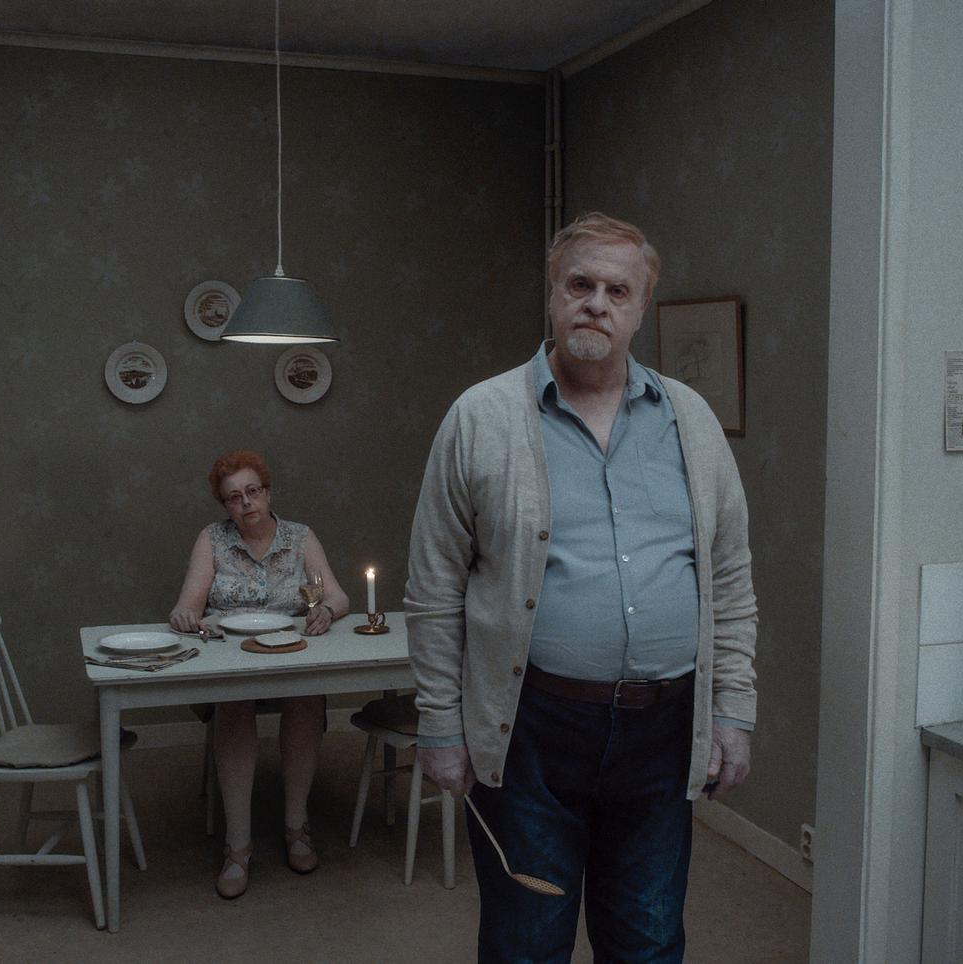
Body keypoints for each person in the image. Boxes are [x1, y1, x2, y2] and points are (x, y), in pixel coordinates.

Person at [406, 212, 758, 961]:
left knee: (648, 940)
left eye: (617, 291)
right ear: (553, 295)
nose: (597, 303)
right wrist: (440, 725)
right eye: (581, 285)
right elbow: (434, 587)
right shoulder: (481, 417)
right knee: (526, 941)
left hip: (664, 733)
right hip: (530, 727)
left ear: (640, 308)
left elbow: (729, 578)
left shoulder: (690, 420)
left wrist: (732, 708)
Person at [169, 448, 349, 899]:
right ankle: (237, 847)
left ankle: (296, 827)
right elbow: (187, 606)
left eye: (253, 491)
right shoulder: (212, 539)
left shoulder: (300, 537)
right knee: (233, 706)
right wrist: (185, 616)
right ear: (225, 505)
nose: (246, 502)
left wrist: (326, 610)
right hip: (232, 659)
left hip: (291, 654)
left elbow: (338, 596)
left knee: (307, 701)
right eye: (234, 497)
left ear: (267, 493)